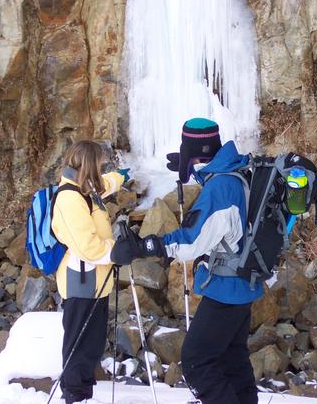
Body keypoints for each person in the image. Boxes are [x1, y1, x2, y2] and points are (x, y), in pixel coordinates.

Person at [112, 118, 261, 404]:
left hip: (226, 289)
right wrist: (191, 164)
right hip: (242, 284)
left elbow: (192, 241)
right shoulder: (238, 170)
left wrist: (147, 245)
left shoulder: (221, 189)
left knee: (196, 361)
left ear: (192, 147)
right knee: (233, 360)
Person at [51, 140, 128, 404]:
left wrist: (122, 176)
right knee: (78, 347)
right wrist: (117, 250)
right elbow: (88, 247)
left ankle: (82, 395)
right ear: (88, 165)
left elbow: (105, 184)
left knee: (92, 345)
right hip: (81, 281)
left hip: (95, 282)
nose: (102, 167)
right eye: (99, 163)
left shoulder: (85, 189)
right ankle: (74, 396)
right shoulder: (69, 198)